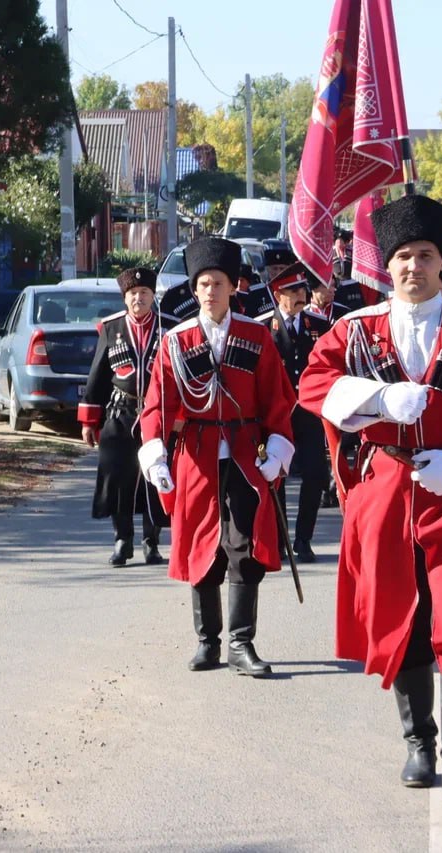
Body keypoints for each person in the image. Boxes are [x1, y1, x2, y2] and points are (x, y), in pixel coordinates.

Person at [298, 194, 442, 801]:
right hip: (388, 493)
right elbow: (313, 384)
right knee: (405, 617)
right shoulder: (355, 329)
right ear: (387, 264)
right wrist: (377, 400)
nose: (412, 267)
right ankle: (418, 743)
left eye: (424, 255)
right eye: (402, 256)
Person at [137, 236, 297, 677]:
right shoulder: (175, 341)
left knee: (242, 544)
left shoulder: (257, 335)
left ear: (233, 287)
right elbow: (157, 405)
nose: (210, 291)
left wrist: (278, 448)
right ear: (194, 289)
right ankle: (208, 642)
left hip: (246, 455)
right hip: (196, 457)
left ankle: (242, 643)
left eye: (218, 283)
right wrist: (155, 454)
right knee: (202, 545)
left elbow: (279, 400)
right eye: (203, 283)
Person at [78, 267, 175, 566]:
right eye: (133, 294)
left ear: (152, 296)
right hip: (120, 415)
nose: (139, 299)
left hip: (158, 416)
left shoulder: (169, 327)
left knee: (154, 477)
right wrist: (88, 421)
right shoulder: (111, 328)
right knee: (118, 478)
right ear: (125, 298)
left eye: (144, 293)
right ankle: (123, 540)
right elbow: (98, 377)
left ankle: (152, 542)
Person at [263, 262, 332, 563]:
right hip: (275, 415)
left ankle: (303, 538)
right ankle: (278, 539)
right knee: (274, 475)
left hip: (308, 412)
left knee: (316, 474)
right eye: (293, 291)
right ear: (278, 295)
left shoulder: (318, 326)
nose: (300, 296)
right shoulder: (264, 327)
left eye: (303, 290)